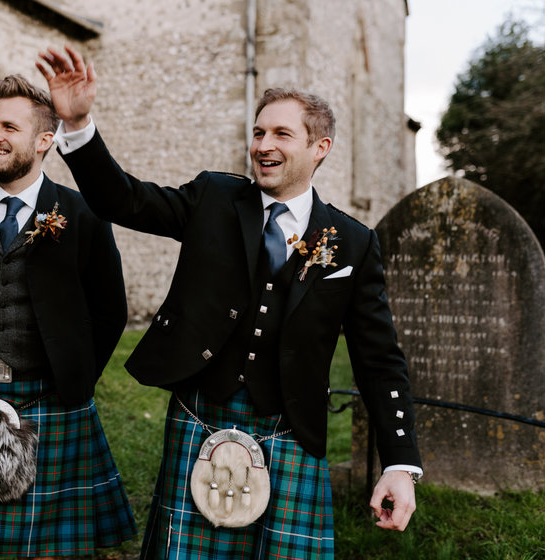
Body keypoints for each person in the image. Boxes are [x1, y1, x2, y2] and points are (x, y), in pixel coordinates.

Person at [36, 46, 422, 559]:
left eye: (282, 134)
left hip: (289, 429)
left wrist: (399, 463)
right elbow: (124, 199)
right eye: (259, 132)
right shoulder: (213, 198)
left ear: (319, 147)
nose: (264, 145)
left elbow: (379, 357)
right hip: (202, 415)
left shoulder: (351, 242)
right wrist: (79, 124)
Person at [0, 74, 136, 560]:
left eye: (9, 127)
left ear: (43, 141)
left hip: (48, 400)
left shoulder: (82, 214)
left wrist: (71, 378)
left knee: (49, 547)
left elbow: (110, 310)